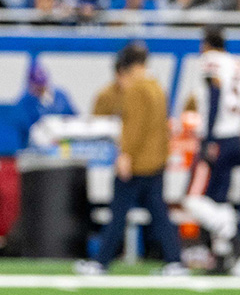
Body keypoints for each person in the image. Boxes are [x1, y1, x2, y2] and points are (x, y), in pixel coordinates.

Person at [79, 42, 187, 276]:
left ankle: (101, 261)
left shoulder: (137, 89)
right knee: (159, 213)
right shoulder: (156, 86)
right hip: (156, 161)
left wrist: (125, 154)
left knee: (118, 212)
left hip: (138, 162)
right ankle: (175, 260)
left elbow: (134, 126)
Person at [187, 27, 240, 274]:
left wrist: (208, 138)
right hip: (237, 135)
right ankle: (222, 257)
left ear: (206, 44)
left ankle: (228, 231)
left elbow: (215, 94)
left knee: (196, 198)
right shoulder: (234, 61)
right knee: (220, 198)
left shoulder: (212, 62)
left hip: (222, 135)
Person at [14, 62, 77, 149]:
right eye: (37, 87)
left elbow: (73, 117)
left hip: (63, 142)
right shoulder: (25, 102)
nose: (40, 90)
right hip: (37, 146)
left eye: (42, 86)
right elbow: (23, 129)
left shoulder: (60, 97)